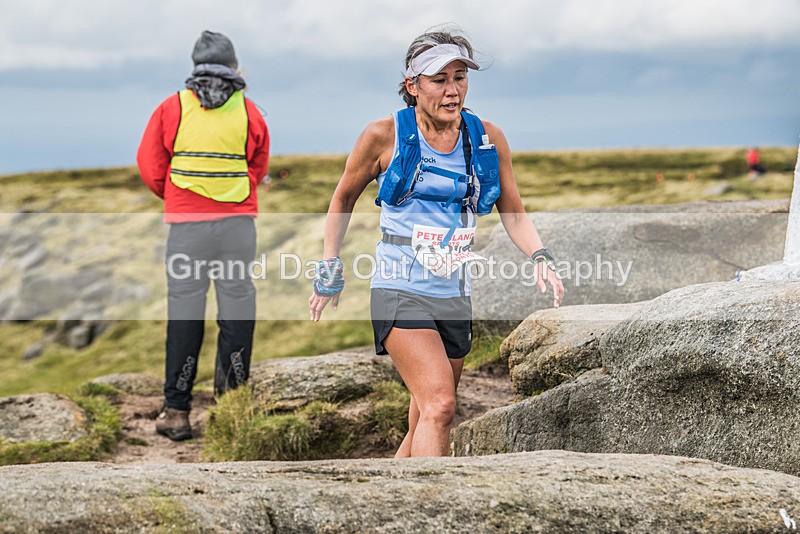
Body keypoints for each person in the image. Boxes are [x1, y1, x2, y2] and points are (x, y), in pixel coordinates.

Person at [308, 28, 564, 457]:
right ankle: (437, 498)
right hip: (398, 287)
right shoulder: (384, 135)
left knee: (424, 419)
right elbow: (343, 198)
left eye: (460, 77)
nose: (452, 90)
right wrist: (329, 265)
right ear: (413, 85)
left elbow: (514, 211)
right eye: (439, 80)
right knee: (441, 405)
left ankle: (391, 494)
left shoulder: (486, 138)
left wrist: (540, 255)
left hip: (453, 293)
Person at [137, 30, 270, 441]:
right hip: (237, 228)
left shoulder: (171, 108)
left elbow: (150, 166)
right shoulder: (249, 111)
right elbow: (258, 166)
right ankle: (228, 410)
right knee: (236, 312)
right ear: (233, 68)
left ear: (196, 67)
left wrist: (179, 198)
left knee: (185, 314)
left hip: (187, 230)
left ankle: (177, 412)